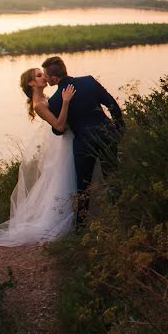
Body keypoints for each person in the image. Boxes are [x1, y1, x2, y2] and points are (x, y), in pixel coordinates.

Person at [0, 68, 78, 246]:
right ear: (31, 83)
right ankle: (61, 220)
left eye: (42, 74)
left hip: (60, 144)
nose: (43, 76)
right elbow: (59, 126)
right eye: (38, 75)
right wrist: (66, 102)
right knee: (63, 179)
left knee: (62, 179)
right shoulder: (39, 104)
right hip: (61, 143)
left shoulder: (45, 97)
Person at [42, 55, 124, 231]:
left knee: (83, 187)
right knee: (113, 177)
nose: (46, 78)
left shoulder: (55, 101)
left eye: (46, 75)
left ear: (54, 79)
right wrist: (119, 130)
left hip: (83, 144)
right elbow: (113, 106)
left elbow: (59, 130)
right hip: (106, 135)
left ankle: (81, 228)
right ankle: (122, 217)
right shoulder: (88, 81)